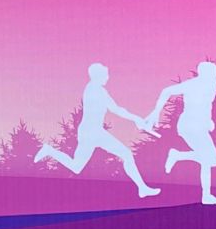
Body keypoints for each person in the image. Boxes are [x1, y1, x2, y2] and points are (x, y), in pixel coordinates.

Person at [34, 62, 163, 198]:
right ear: (98, 76)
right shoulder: (96, 90)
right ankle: (142, 188)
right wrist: (136, 119)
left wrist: (136, 119)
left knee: (80, 166)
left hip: (94, 132)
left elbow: (116, 109)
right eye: (106, 75)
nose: (108, 77)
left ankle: (142, 188)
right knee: (122, 155)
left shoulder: (95, 89)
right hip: (91, 133)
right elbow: (116, 109)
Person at [146, 61, 216, 205]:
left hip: (197, 125)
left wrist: (208, 120)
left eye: (215, 73)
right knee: (209, 160)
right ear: (204, 73)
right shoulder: (193, 85)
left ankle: (178, 155)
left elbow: (205, 104)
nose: (215, 76)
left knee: (212, 160)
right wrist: (156, 111)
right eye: (213, 73)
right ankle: (206, 196)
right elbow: (166, 91)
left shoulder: (213, 84)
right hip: (190, 125)